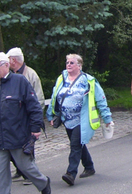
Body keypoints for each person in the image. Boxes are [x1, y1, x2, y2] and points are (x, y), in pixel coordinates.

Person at [0, 52, 51, 194]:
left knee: (26, 166)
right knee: (0, 172)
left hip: (17, 135)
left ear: (6, 65)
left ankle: (43, 184)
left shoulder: (20, 81)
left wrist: (36, 128)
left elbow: (33, 106)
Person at [46, 54, 113, 186]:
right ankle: (89, 166)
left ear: (79, 66)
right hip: (66, 119)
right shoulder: (62, 78)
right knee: (78, 144)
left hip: (81, 119)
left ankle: (71, 173)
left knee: (75, 145)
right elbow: (54, 97)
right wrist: (51, 115)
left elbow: (100, 99)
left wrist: (107, 118)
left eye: (72, 62)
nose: (68, 65)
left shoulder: (88, 81)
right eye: (67, 62)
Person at [6, 47, 45, 185]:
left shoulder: (31, 74)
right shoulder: (10, 75)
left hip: (28, 118)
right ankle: (20, 169)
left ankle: (30, 175)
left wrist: (35, 119)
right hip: (15, 119)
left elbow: (39, 98)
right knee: (14, 145)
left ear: (14, 60)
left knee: (28, 146)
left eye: (8, 59)